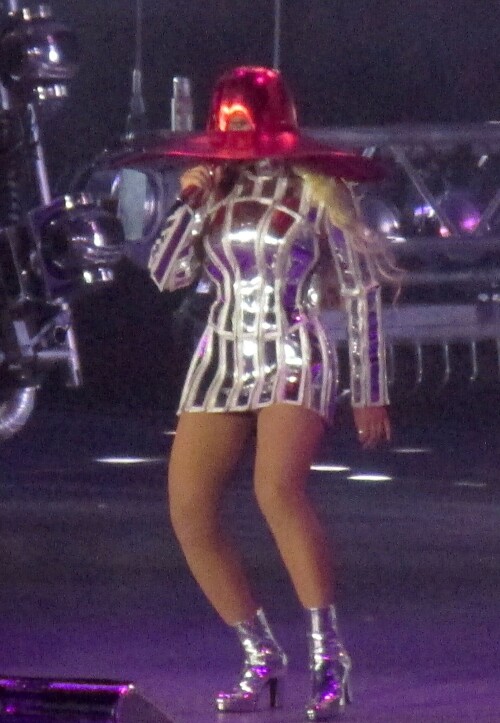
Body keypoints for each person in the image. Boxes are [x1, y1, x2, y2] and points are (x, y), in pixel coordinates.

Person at [147, 66, 394, 721]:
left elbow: (363, 289)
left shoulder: (318, 187)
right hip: (222, 354)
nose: (232, 133)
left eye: (242, 120)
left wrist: (371, 387)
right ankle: (260, 655)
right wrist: (191, 199)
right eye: (223, 122)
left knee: (275, 489)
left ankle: (328, 658)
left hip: (294, 350)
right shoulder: (215, 190)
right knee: (189, 508)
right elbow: (166, 275)